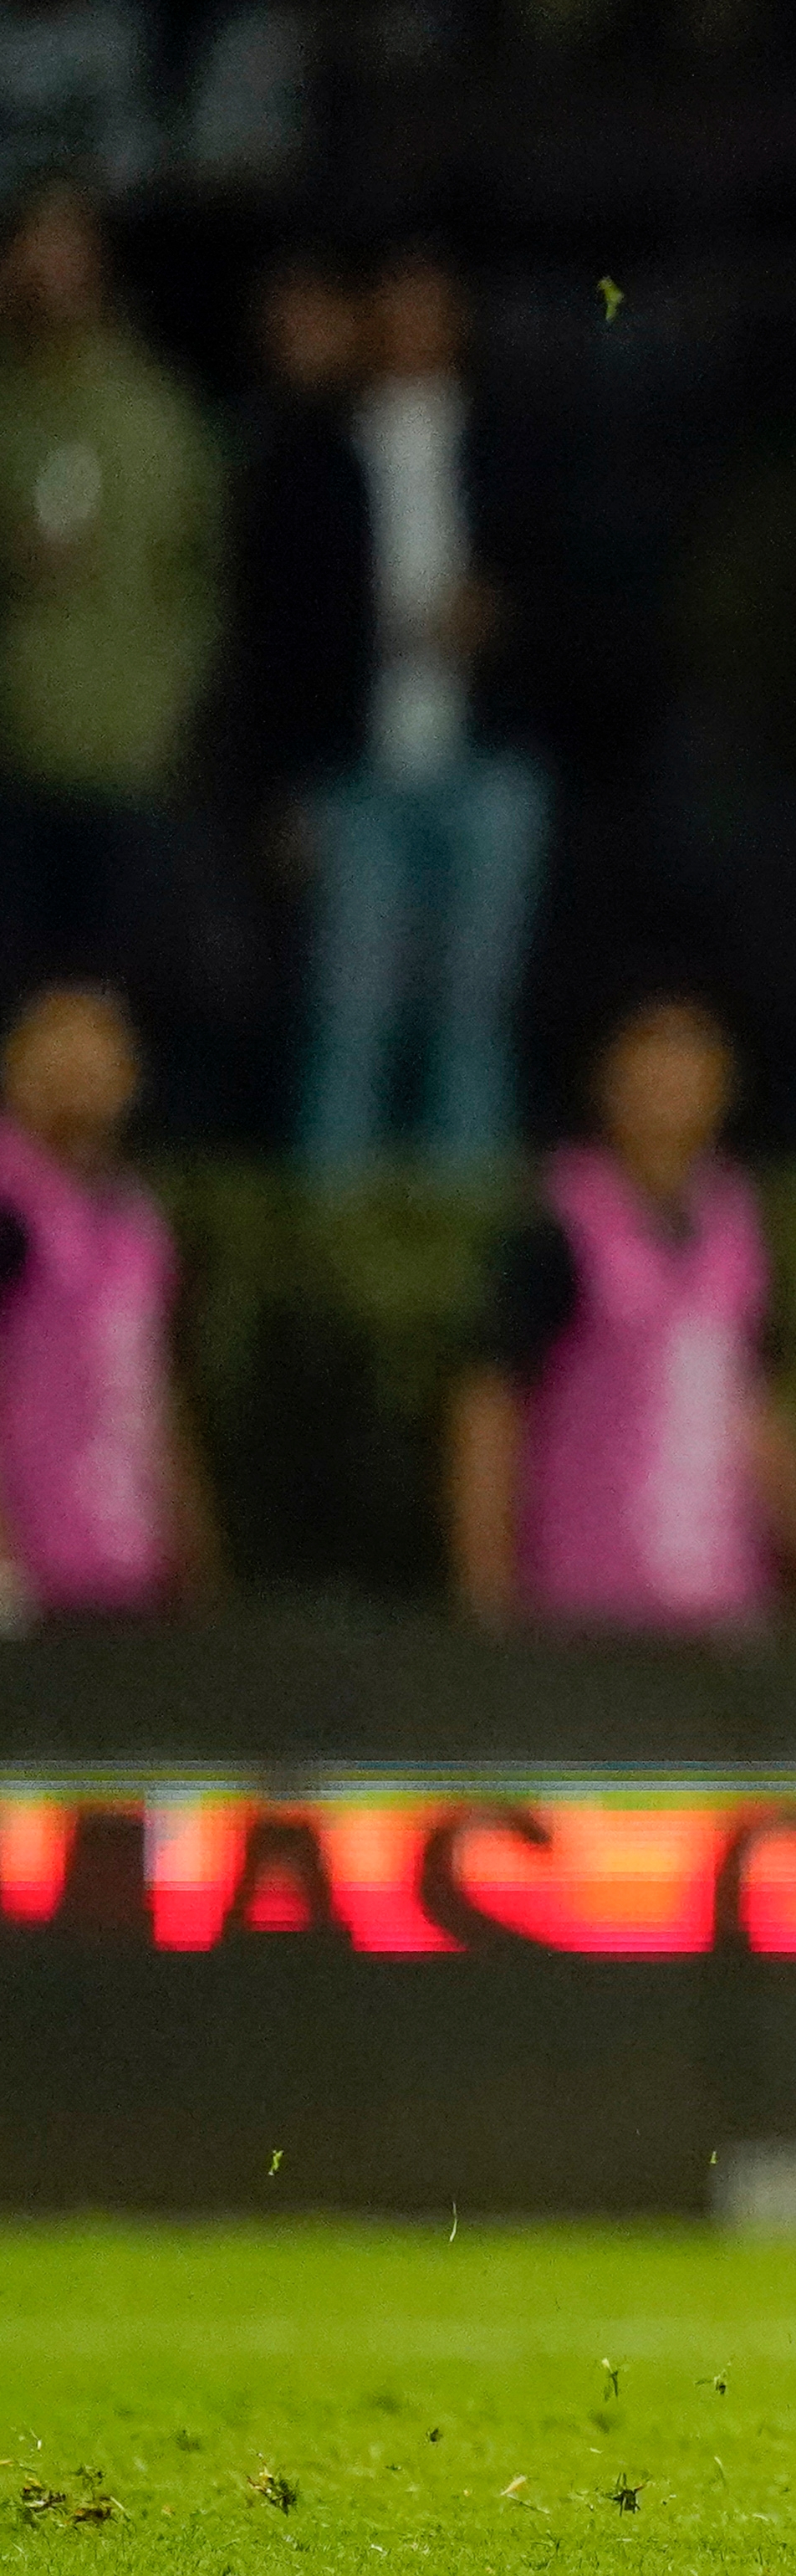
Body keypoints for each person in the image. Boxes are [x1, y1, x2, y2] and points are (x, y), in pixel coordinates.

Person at [447, 992, 796, 1641]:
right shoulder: (558, 1224)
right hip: (586, 1605)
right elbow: (491, 1404)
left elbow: (760, 1407)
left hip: (724, 1605)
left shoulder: (742, 1222)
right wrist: (485, 1583)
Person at [293, 243, 552, 1177]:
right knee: (349, 1013)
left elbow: (568, 582)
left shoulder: (508, 441)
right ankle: (329, 1243)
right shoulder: (319, 450)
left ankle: (461, 1233)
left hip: (485, 765)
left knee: (473, 1013)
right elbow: (281, 623)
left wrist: (498, 616)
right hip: (359, 769)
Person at [0, 179, 213, 1003]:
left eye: (67, 244)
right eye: (31, 243)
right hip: (13, 753)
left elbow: (199, 586)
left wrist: (164, 715)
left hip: (126, 759)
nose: (49, 267)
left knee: (104, 1009)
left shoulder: (155, 415)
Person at [0, 978, 212, 1624]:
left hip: (130, 1568)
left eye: (100, 1055)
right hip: (30, 1572)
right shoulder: (10, 1208)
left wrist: (195, 1550)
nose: (81, 1075)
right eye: (59, 1054)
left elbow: (154, 1389)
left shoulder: (137, 1220)